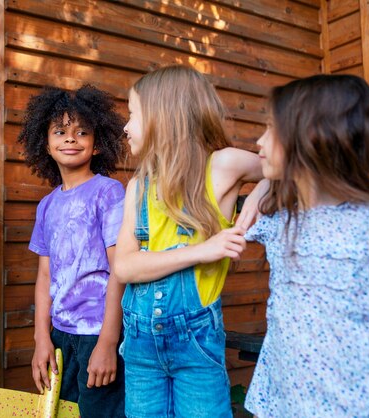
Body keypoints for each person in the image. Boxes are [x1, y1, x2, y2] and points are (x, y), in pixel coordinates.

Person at [244, 74, 369, 417]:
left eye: (270, 128)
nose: (259, 140)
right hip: (287, 404)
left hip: (358, 406)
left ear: (312, 137)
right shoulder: (280, 224)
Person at [114, 64, 266, 417]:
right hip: (140, 349)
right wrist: (200, 251)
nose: (125, 126)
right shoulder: (138, 187)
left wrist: (261, 191)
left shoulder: (223, 166)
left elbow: (289, 164)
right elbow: (124, 266)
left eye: (132, 114)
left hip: (195, 347)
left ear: (163, 116)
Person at [18, 85, 126, 417]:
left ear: (97, 144)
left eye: (82, 132)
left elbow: (120, 269)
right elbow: (45, 276)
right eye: (60, 132)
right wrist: (41, 339)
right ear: (45, 143)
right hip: (59, 335)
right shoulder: (47, 205)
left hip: (99, 332)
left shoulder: (109, 192)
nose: (70, 139)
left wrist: (109, 342)